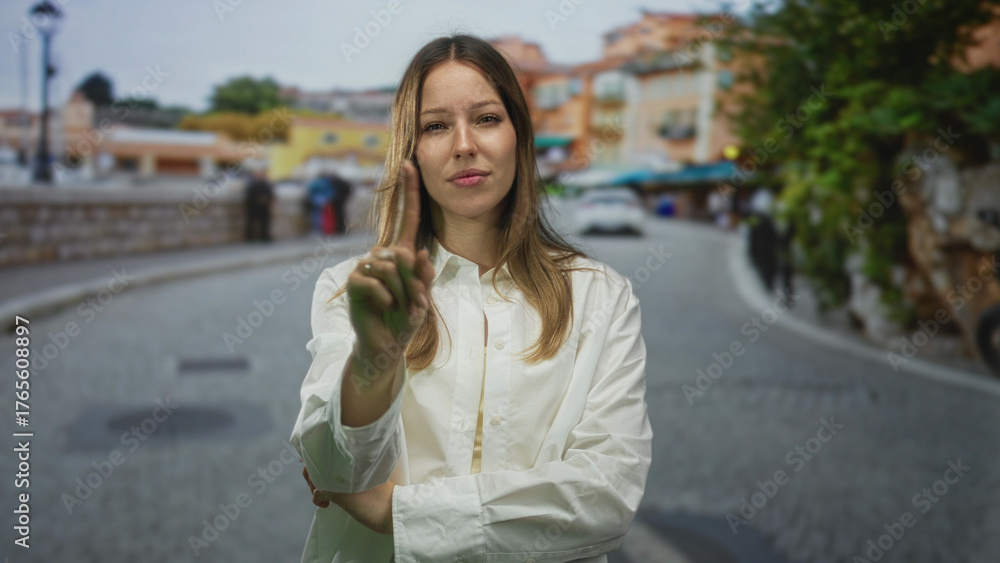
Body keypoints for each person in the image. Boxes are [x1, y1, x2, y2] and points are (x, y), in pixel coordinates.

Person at [290, 34, 651, 563]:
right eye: (435, 126)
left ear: (517, 137)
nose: (464, 144)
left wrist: (396, 514)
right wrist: (374, 361)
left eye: (485, 118)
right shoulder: (352, 288)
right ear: (409, 150)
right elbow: (337, 467)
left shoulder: (601, 297)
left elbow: (606, 497)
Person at [244, 168, 275, 242]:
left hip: (264, 207)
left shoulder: (265, 184)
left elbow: (270, 194)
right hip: (254, 206)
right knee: (251, 222)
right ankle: (250, 237)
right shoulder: (252, 184)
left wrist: (266, 200)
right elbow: (249, 195)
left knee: (265, 222)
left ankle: (264, 236)